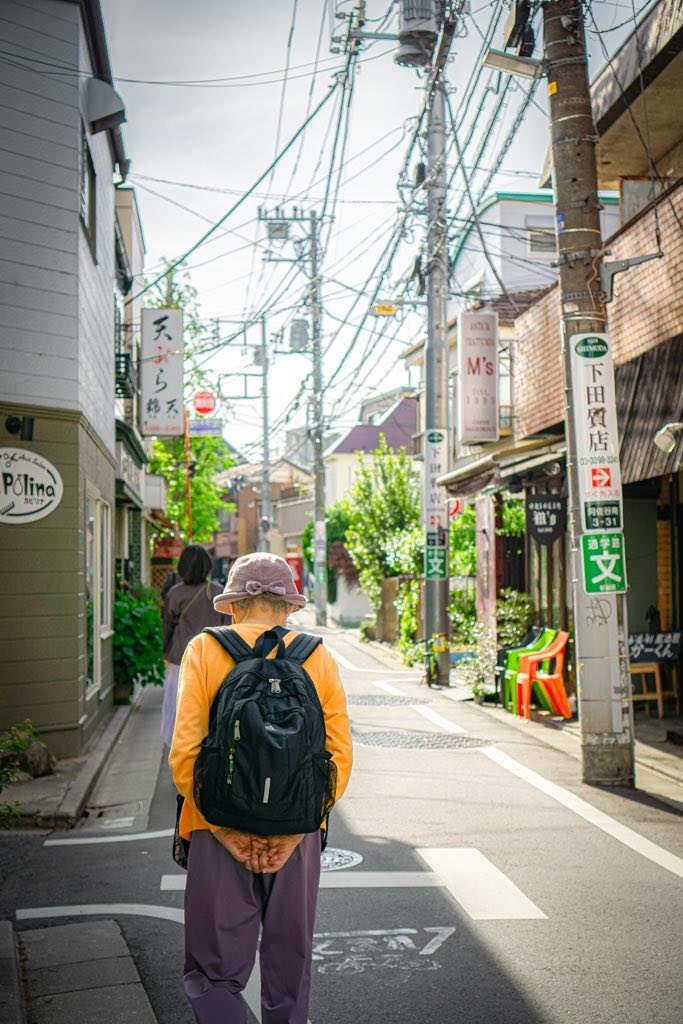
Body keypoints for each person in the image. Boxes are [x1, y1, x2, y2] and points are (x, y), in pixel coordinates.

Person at [169, 552, 352, 1024]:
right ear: (288, 606)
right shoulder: (317, 655)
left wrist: (228, 833)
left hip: (215, 827)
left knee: (213, 975)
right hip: (298, 832)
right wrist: (295, 831)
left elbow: (185, 753)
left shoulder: (205, 650)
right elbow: (339, 756)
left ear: (232, 605)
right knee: (289, 967)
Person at [161, 545, 230, 748]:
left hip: (180, 659)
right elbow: (229, 627)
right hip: (215, 661)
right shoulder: (218, 592)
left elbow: (167, 628)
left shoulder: (174, 594)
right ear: (207, 566)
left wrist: (166, 653)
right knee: (211, 708)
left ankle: (182, 752)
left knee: (179, 708)